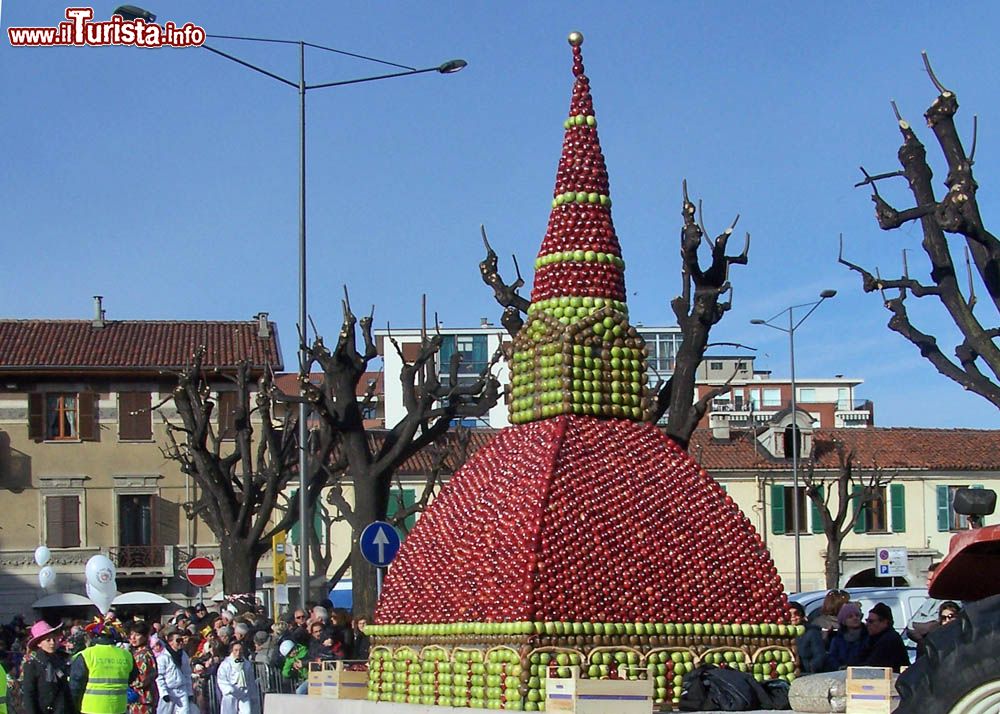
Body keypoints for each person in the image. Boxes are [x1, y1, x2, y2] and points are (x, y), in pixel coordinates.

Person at [71, 621, 136, 714]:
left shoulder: (86, 655)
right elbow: (131, 678)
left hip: (91, 709)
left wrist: (74, 708)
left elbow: (75, 686)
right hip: (118, 708)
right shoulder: (126, 655)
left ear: (93, 636)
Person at [21, 621, 73, 714]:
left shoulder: (60, 660)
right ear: (39, 644)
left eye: (54, 639)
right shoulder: (32, 664)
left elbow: (66, 690)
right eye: (48, 640)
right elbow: (29, 695)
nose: (52, 643)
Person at [857, 603, 910, 672]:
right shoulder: (874, 638)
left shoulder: (889, 640)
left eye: (871, 621)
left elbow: (873, 665)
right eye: (867, 620)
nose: (867, 624)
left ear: (884, 622)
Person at [155, 627, 193, 714]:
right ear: (170, 642)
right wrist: (164, 693)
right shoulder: (163, 657)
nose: (181, 642)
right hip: (169, 691)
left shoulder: (184, 656)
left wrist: (190, 692)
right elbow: (159, 677)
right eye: (178, 640)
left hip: (182, 690)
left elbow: (187, 674)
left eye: (182, 640)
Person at [216, 643, 260, 714]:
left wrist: (253, 694)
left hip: (244, 693)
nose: (238, 653)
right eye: (236, 650)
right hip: (231, 694)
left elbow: (250, 680)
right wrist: (229, 689)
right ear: (232, 651)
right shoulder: (226, 664)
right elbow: (221, 679)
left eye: (240, 650)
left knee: (247, 711)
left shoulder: (246, 663)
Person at [128, 622, 158, 714]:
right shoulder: (140, 652)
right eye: (131, 634)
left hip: (141, 698)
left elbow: (142, 680)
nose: (133, 638)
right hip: (143, 698)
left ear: (145, 637)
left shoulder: (142, 655)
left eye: (137, 635)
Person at [827, 602, 867, 670]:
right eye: (850, 616)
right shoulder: (838, 639)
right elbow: (832, 657)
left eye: (857, 615)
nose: (855, 618)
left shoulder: (868, 635)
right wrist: (839, 667)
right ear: (844, 621)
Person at [788, 603, 826, 673]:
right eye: (789, 614)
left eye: (796, 613)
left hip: (806, 673)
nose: (793, 617)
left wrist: (811, 668)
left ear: (801, 615)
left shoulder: (812, 633)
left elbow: (819, 655)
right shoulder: (784, 633)